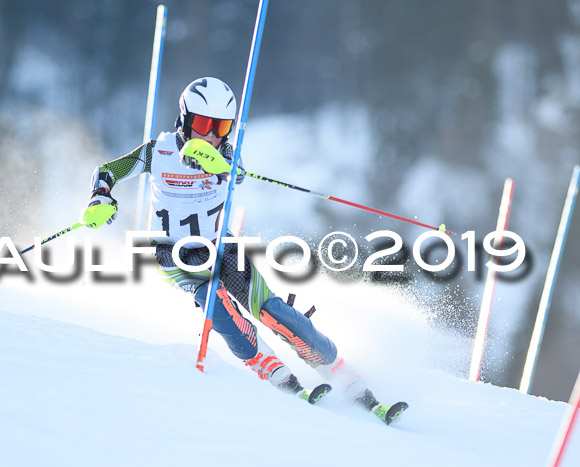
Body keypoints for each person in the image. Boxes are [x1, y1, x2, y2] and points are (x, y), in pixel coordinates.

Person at [82, 77, 407, 424]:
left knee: (271, 310)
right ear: (185, 120)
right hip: (172, 252)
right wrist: (100, 196)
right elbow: (108, 171)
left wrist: (221, 165)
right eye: (204, 124)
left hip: (221, 246)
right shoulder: (157, 152)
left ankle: (343, 375)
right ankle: (272, 369)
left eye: (221, 127)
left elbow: (236, 174)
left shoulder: (227, 155)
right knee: (214, 300)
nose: (212, 135)